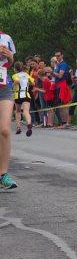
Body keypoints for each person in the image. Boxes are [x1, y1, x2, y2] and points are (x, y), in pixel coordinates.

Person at [0, 31, 18, 189]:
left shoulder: (6, 38)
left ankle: (3, 174)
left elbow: (9, 63)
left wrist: (9, 56)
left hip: (4, 87)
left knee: (5, 130)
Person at [12, 62, 34, 137]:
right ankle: (29, 124)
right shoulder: (26, 74)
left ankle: (18, 128)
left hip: (18, 95)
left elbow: (16, 81)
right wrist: (27, 82)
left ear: (15, 69)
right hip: (26, 95)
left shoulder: (15, 75)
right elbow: (33, 83)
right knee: (26, 111)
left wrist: (13, 85)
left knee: (18, 111)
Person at [51, 51, 71, 128]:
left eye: (58, 56)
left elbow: (60, 75)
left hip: (62, 85)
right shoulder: (58, 65)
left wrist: (51, 72)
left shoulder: (63, 64)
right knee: (61, 105)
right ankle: (63, 123)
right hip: (58, 85)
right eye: (56, 56)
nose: (57, 57)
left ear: (62, 55)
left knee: (64, 105)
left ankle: (66, 123)